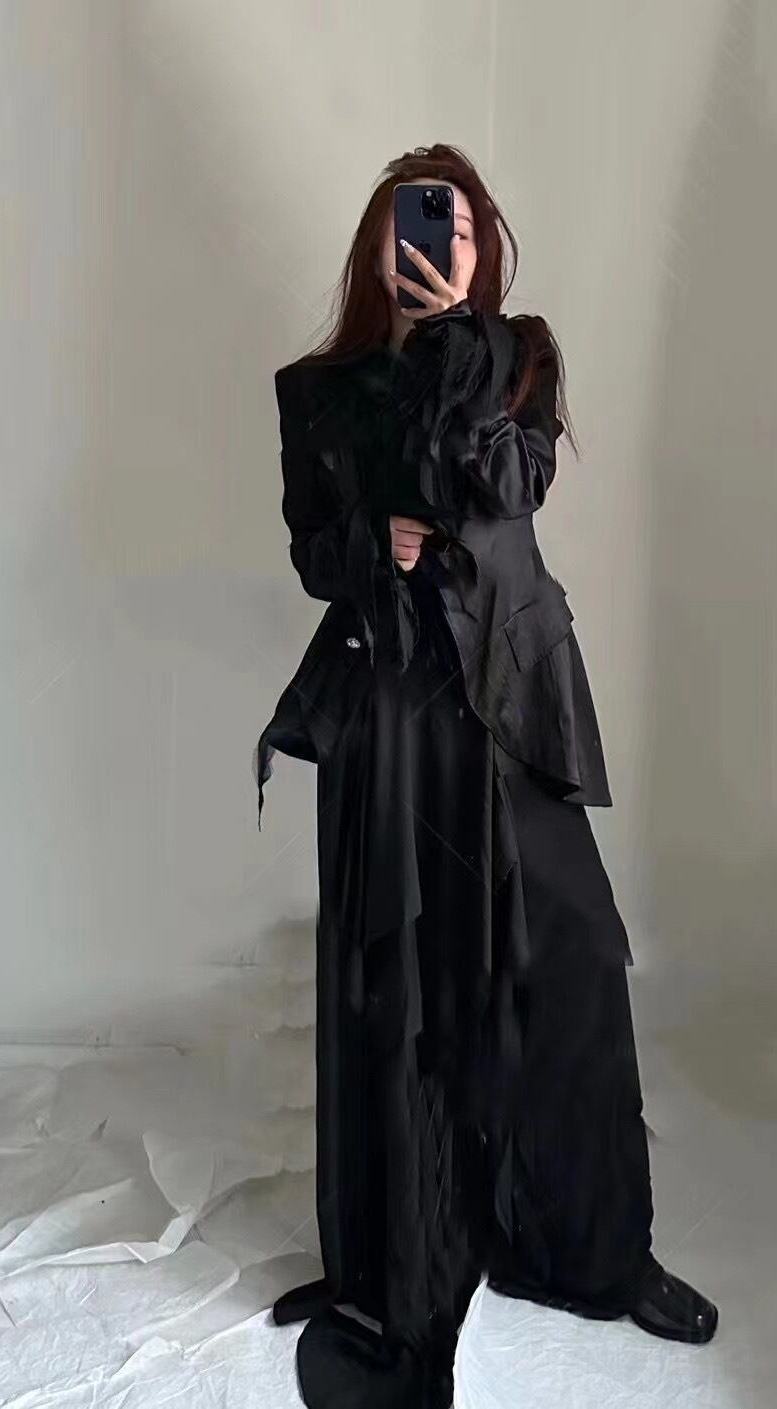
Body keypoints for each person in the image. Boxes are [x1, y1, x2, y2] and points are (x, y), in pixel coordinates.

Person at [253, 144, 718, 1409]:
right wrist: (377, 541)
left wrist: (458, 337)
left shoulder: (518, 358)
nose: (434, 243)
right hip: (389, 710)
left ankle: (599, 1251)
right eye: (413, 226)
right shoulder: (315, 391)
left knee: (574, 960)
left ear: (481, 247)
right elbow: (312, 550)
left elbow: (513, 485)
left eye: (454, 227)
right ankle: (386, 1262)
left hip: (510, 700)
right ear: (376, 245)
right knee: (395, 990)